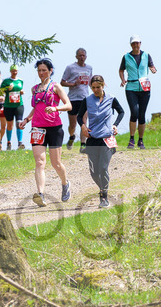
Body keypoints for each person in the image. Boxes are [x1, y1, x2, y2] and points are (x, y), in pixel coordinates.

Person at [18, 58, 72, 206]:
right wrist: (26, 120)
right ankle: (40, 194)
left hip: (54, 127)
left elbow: (68, 105)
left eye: (44, 70)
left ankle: (65, 183)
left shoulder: (56, 87)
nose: (41, 73)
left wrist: (55, 108)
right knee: (40, 162)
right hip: (37, 127)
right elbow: (36, 108)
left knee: (56, 163)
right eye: (39, 70)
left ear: (50, 71)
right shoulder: (34, 89)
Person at [81, 75, 125, 208]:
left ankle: (104, 197)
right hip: (92, 140)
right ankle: (103, 189)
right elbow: (78, 116)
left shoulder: (111, 99)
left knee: (103, 168)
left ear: (103, 85)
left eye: (98, 87)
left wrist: (115, 125)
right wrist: (83, 126)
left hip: (107, 139)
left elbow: (121, 112)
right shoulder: (87, 100)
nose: (95, 90)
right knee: (94, 172)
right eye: (93, 88)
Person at [118, 35, 157, 149]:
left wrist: (153, 69)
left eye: (137, 43)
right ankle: (131, 139)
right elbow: (121, 70)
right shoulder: (126, 57)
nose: (135, 45)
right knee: (134, 112)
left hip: (145, 88)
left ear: (140, 43)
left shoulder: (146, 55)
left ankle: (140, 140)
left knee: (142, 115)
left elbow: (152, 66)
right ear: (131, 45)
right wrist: (123, 79)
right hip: (131, 87)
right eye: (133, 43)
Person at [60, 48, 92, 152]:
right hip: (73, 99)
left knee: (83, 122)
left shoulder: (89, 68)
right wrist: (74, 84)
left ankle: (83, 144)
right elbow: (62, 82)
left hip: (85, 98)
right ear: (76, 57)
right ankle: (72, 136)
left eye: (83, 55)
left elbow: (91, 82)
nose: (82, 57)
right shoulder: (70, 67)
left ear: (86, 57)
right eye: (80, 55)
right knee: (73, 124)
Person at [0, 64, 25, 150]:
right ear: (10, 71)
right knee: (10, 125)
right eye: (13, 71)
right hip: (8, 106)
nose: (15, 72)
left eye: (16, 71)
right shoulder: (6, 81)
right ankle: (9, 142)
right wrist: (7, 89)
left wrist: (21, 92)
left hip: (18, 105)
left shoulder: (20, 81)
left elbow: (20, 89)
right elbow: (0, 90)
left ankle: (20, 143)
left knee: (19, 123)